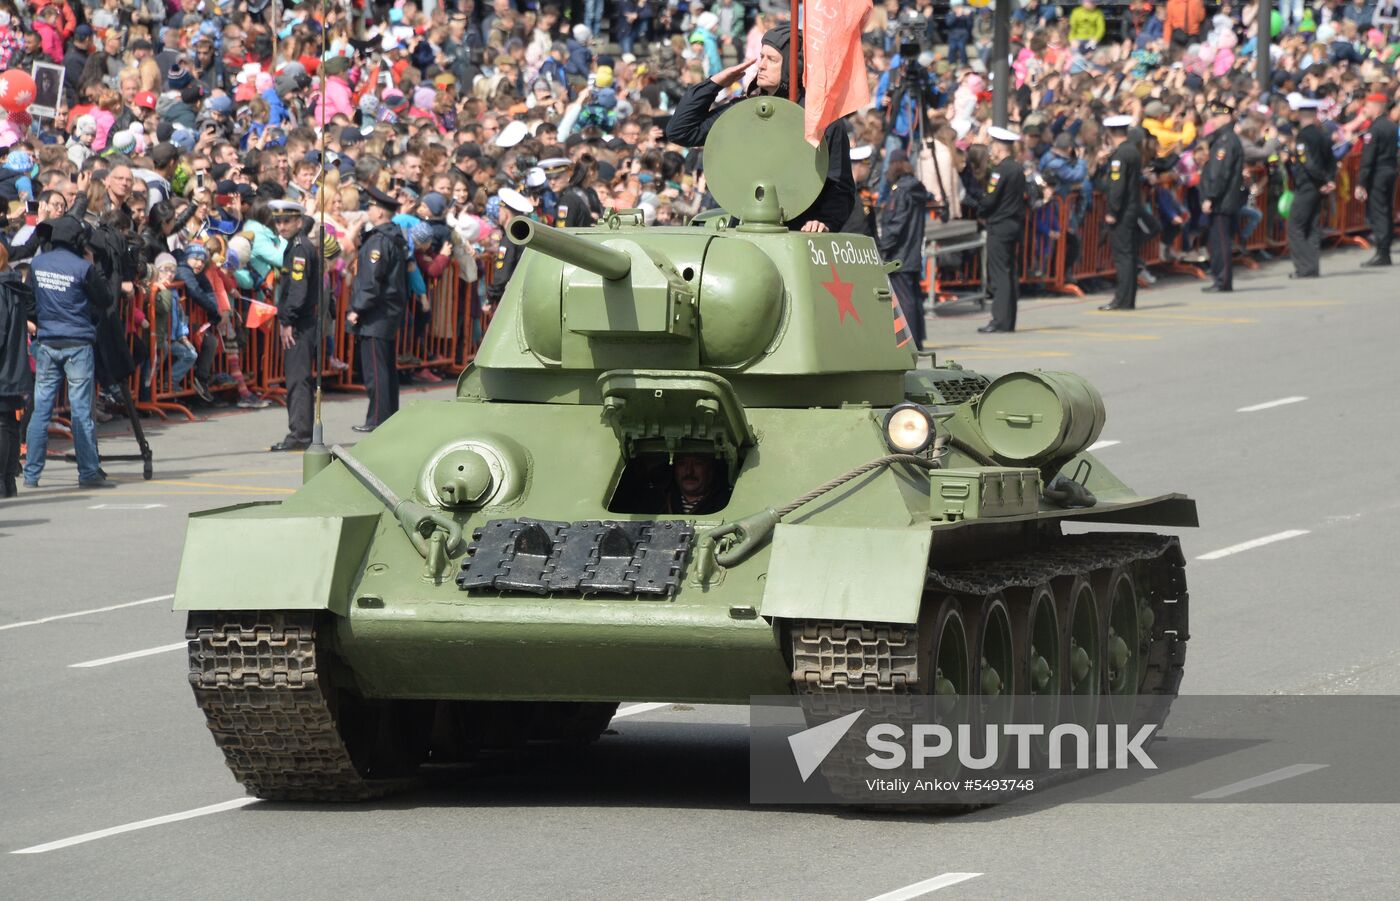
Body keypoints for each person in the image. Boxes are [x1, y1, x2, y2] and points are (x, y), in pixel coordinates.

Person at [665, 23, 855, 232]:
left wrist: (825, 221)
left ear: (794, 66)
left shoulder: (823, 121)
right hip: (747, 229)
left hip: (799, 231)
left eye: (771, 59)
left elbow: (839, 186)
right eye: (761, 56)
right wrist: (716, 83)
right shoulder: (745, 112)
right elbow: (681, 131)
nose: (761, 65)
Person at [23, 215, 116, 489]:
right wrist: (91, 267)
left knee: (41, 409)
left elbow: (29, 302)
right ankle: (88, 472)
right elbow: (105, 299)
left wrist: (42, 321)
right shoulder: (81, 268)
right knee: (80, 410)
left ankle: (31, 474)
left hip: (48, 343)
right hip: (77, 343)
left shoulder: (37, 264)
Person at [348, 185, 410, 434]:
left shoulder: (379, 241)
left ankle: (377, 419)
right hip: (386, 311)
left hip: (376, 313)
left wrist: (357, 309)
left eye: (371, 207)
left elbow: (371, 281)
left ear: (381, 213)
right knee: (384, 368)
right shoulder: (388, 237)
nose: (368, 210)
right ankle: (386, 416)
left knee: (376, 370)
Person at [270, 201, 320, 452]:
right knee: (298, 378)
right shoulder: (296, 246)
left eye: (287, 221)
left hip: (300, 323)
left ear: (299, 222)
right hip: (302, 320)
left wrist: (287, 320)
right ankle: (301, 432)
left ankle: (300, 434)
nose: (281, 226)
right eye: (278, 221)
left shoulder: (299, 250)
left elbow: (297, 291)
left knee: (297, 379)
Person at [977, 128, 1028, 334]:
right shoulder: (1017, 168)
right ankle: (1009, 320)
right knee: (1009, 272)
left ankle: (999, 319)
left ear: (999, 147)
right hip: (1014, 224)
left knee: (999, 274)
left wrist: (981, 209)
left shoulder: (1000, 171)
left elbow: (990, 199)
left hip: (999, 224)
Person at [878, 149, 929, 348]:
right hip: (913, 252)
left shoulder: (900, 192)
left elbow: (895, 224)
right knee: (914, 298)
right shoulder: (916, 188)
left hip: (900, 254)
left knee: (904, 300)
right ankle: (918, 338)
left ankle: (909, 341)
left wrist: (883, 247)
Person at [1200, 97, 1247, 293]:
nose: (1215, 120)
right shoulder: (1223, 139)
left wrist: (1211, 196)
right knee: (1218, 241)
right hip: (1224, 198)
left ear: (1227, 117)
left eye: (1218, 116)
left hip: (1222, 200)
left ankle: (1223, 280)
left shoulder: (1226, 141)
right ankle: (1220, 278)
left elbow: (1220, 172)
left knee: (1221, 241)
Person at [1286, 97, 1336, 279]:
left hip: (1308, 185)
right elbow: (1331, 160)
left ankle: (1304, 268)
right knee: (1312, 226)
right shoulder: (1322, 134)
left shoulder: (1303, 136)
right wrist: (1329, 180)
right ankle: (1312, 266)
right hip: (1318, 186)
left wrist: (1323, 181)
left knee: (1296, 226)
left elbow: (1307, 162)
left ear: (1300, 116)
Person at [1100, 115, 1143, 311]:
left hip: (1123, 211)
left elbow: (1117, 186)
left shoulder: (1120, 155)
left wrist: (1112, 210)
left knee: (1123, 256)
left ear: (1110, 133)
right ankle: (1128, 298)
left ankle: (1122, 299)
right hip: (1132, 208)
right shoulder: (1132, 151)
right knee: (1130, 255)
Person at [0, 244, 32, 498]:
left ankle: (3, 479)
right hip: (13, 364)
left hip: (3, 366)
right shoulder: (13, 286)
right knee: (9, 420)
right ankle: (8, 479)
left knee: (3, 422)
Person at [1355, 92, 1397, 267]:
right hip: (1391, 170)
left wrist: (1361, 182)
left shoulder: (1374, 129)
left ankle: (1382, 253)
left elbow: (1368, 158)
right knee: (1386, 212)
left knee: (1379, 213)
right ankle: (1385, 251)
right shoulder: (1392, 126)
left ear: (1377, 107)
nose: (1366, 109)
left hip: (1378, 174)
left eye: (1369, 106)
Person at [657, 453, 729, 514]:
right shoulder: (656, 501)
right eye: (682, 463)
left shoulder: (727, 504)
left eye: (698, 463)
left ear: (711, 470)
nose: (689, 471)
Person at [842, 144, 879, 238]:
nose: (869, 168)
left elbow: (871, 226)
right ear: (859, 166)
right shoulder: (841, 192)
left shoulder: (863, 191)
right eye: (867, 164)